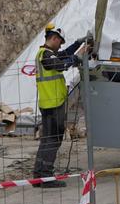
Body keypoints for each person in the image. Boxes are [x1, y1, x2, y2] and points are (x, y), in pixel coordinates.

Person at [32, 25, 92, 178]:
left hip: (48, 103)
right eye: (60, 42)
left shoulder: (46, 53)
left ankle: (39, 174)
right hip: (53, 104)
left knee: (46, 140)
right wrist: (77, 57)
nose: (61, 45)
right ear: (54, 38)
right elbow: (60, 64)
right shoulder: (45, 55)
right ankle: (45, 175)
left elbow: (64, 54)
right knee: (53, 140)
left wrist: (78, 43)